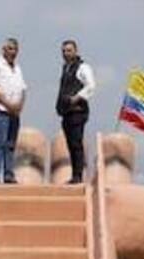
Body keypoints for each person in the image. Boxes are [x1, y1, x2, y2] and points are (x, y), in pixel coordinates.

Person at [0, 38, 27, 184]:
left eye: (15, 49)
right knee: (1, 141)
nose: (12, 52)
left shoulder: (17, 68)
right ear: (3, 49)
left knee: (11, 144)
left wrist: (20, 105)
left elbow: (23, 89)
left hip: (15, 112)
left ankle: (9, 174)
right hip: (1, 110)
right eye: (9, 48)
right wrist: (7, 104)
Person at [56, 39, 95, 184]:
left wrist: (76, 98)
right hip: (66, 112)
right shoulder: (66, 68)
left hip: (78, 111)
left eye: (69, 50)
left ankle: (78, 175)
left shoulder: (83, 67)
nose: (66, 53)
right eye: (64, 51)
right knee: (71, 145)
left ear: (75, 51)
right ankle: (74, 175)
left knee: (76, 143)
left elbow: (91, 86)